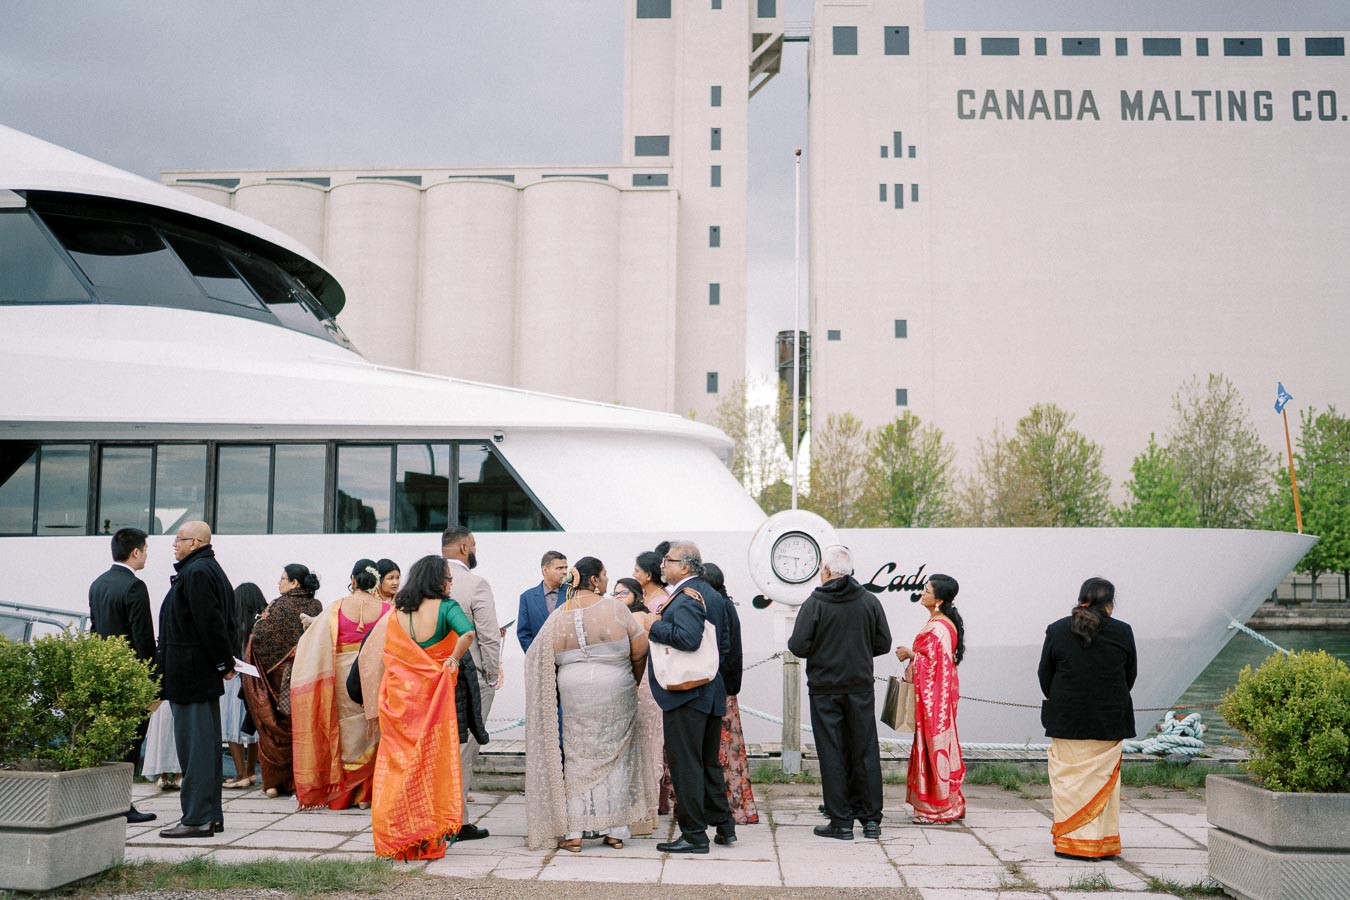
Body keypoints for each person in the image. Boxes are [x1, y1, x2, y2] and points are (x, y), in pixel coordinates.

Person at [524, 557, 655, 851]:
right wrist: (632, 680)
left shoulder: (558, 615)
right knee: (616, 755)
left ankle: (574, 832)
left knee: (576, 755)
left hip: (573, 690)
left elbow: (537, 654)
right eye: (605, 575)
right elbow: (639, 650)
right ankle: (615, 831)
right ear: (594, 580)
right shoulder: (616, 609)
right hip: (614, 685)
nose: (608, 581)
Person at [356, 555, 476, 860]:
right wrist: (451, 659)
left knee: (397, 766)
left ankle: (396, 836)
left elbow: (388, 653)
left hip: (398, 697)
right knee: (428, 767)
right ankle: (426, 838)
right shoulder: (447, 607)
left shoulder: (399, 610)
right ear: (437, 579)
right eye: (448, 578)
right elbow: (468, 633)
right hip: (431, 698)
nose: (451, 583)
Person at [788, 545, 892, 840]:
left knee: (832, 751)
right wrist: (859, 651)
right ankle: (871, 820)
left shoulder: (815, 604)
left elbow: (798, 646)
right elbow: (883, 643)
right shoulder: (869, 601)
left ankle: (841, 821)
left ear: (826, 571)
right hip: (860, 685)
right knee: (865, 750)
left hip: (824, 688)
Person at [1039, 577, 1137, 861]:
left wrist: (1063, 699)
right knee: (1102, 781)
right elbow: (1129, 676)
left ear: (1081, 599)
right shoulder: (1123, 631)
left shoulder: (1057, 629)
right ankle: (1101, 842)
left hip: (1067, 718)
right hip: (1109, 720)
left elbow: (1045, 675)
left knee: (1068, 781)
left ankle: (1070, 842)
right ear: (1110, 605)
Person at [648, 540, 735, 854]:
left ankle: (695, 835)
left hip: (687, 693)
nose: (662, 565)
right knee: (707, 764)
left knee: (686, 766)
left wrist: (653, 625)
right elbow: (724, 645)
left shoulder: (685, 598)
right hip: (710, 690)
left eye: (668, 560)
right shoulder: (712, 594)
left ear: (684, 565)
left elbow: (687, 638)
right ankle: (725, 827)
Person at [292, 559, 393, 810]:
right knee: (373, 728)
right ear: (375, 582)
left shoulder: (337, 607)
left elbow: (315, 634)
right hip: (374, 673)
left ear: (353, 580)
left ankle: (345, 794)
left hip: (343, 675)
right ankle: (366, 794)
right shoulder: (386, 610)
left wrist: (309, 622)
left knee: (346, 729)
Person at [156, 521, 236, 839]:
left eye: (179, 539)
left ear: (196, 542)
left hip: (192, 675)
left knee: (196, 749)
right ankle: (208, 816)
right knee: (202, 748)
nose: (174, 544)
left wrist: (223, 662)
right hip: (195, 674)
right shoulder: (203, 569)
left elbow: (211, 623)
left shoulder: (198, 572)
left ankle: (197, 818)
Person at [88, 526, 159, 824]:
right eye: (145, 550)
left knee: (106, 740)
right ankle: (121, 804)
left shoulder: (98, 583)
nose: (146, 556)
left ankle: (100, 801)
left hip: (104, 672)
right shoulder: (134, 586)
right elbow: (143, 637)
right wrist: (153, 679)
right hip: (130, 675)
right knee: (130, 742)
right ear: (135, 552)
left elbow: (95, 629)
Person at [241, 563, 322, 798]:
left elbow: (259, 637)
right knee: (303, 728)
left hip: (278, 679)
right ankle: (301, 781)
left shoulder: (278, 605)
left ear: (294, 583)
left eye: (283, 579)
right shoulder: (316, 605)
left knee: (275, 727)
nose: (279, 583)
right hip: (306, 675)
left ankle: (274, 784)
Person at [895, 573, 967, 825]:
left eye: (927, 590)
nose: (923, 593)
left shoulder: (939, 627)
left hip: (935, 700)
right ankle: (943, 802)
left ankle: (937, 808)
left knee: (935, 747)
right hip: (935, 698)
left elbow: (938, 666)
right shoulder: (938, 622)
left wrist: (912, 656)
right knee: (934, 746)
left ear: (939, 599)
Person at [442, 526, 501, 812]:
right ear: (464, 547)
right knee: (463, 750)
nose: (475, 550)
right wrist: (491, 675)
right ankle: (458, 819)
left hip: (432, 677)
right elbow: (489, 635)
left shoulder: (420, 582)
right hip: (468, 676)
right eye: (474, 545)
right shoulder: (476, 584)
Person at [703, 563, 759, 827]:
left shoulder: (718, 607)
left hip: (720, 688)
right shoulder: (728, 605)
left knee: (721, 752)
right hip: (728, 687)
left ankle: (727, 807)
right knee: (729, 752)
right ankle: (736, 806)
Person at [633, 547, 677, 814]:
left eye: (636, 570)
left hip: (653, 672)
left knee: (653, 738)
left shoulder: (660, 602)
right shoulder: (644, 600)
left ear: (648, 575)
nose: (633, 574)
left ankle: (654, 799)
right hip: (641, 673)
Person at [222, 582, 267, 788]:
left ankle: (240, 774)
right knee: (253, 725)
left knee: (232, 726)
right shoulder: (261, 626)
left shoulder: (232, 625)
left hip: (233, 680)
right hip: (256, 681)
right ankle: (251, 772)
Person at [517, 550, 567, 653]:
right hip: (539, 661)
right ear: (545, 570)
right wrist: (537, 656)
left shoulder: (573, 593)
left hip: (567, 661)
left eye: (566, 567)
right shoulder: (527, 598)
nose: (565, 572)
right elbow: (524, 634)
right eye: (559, 568)